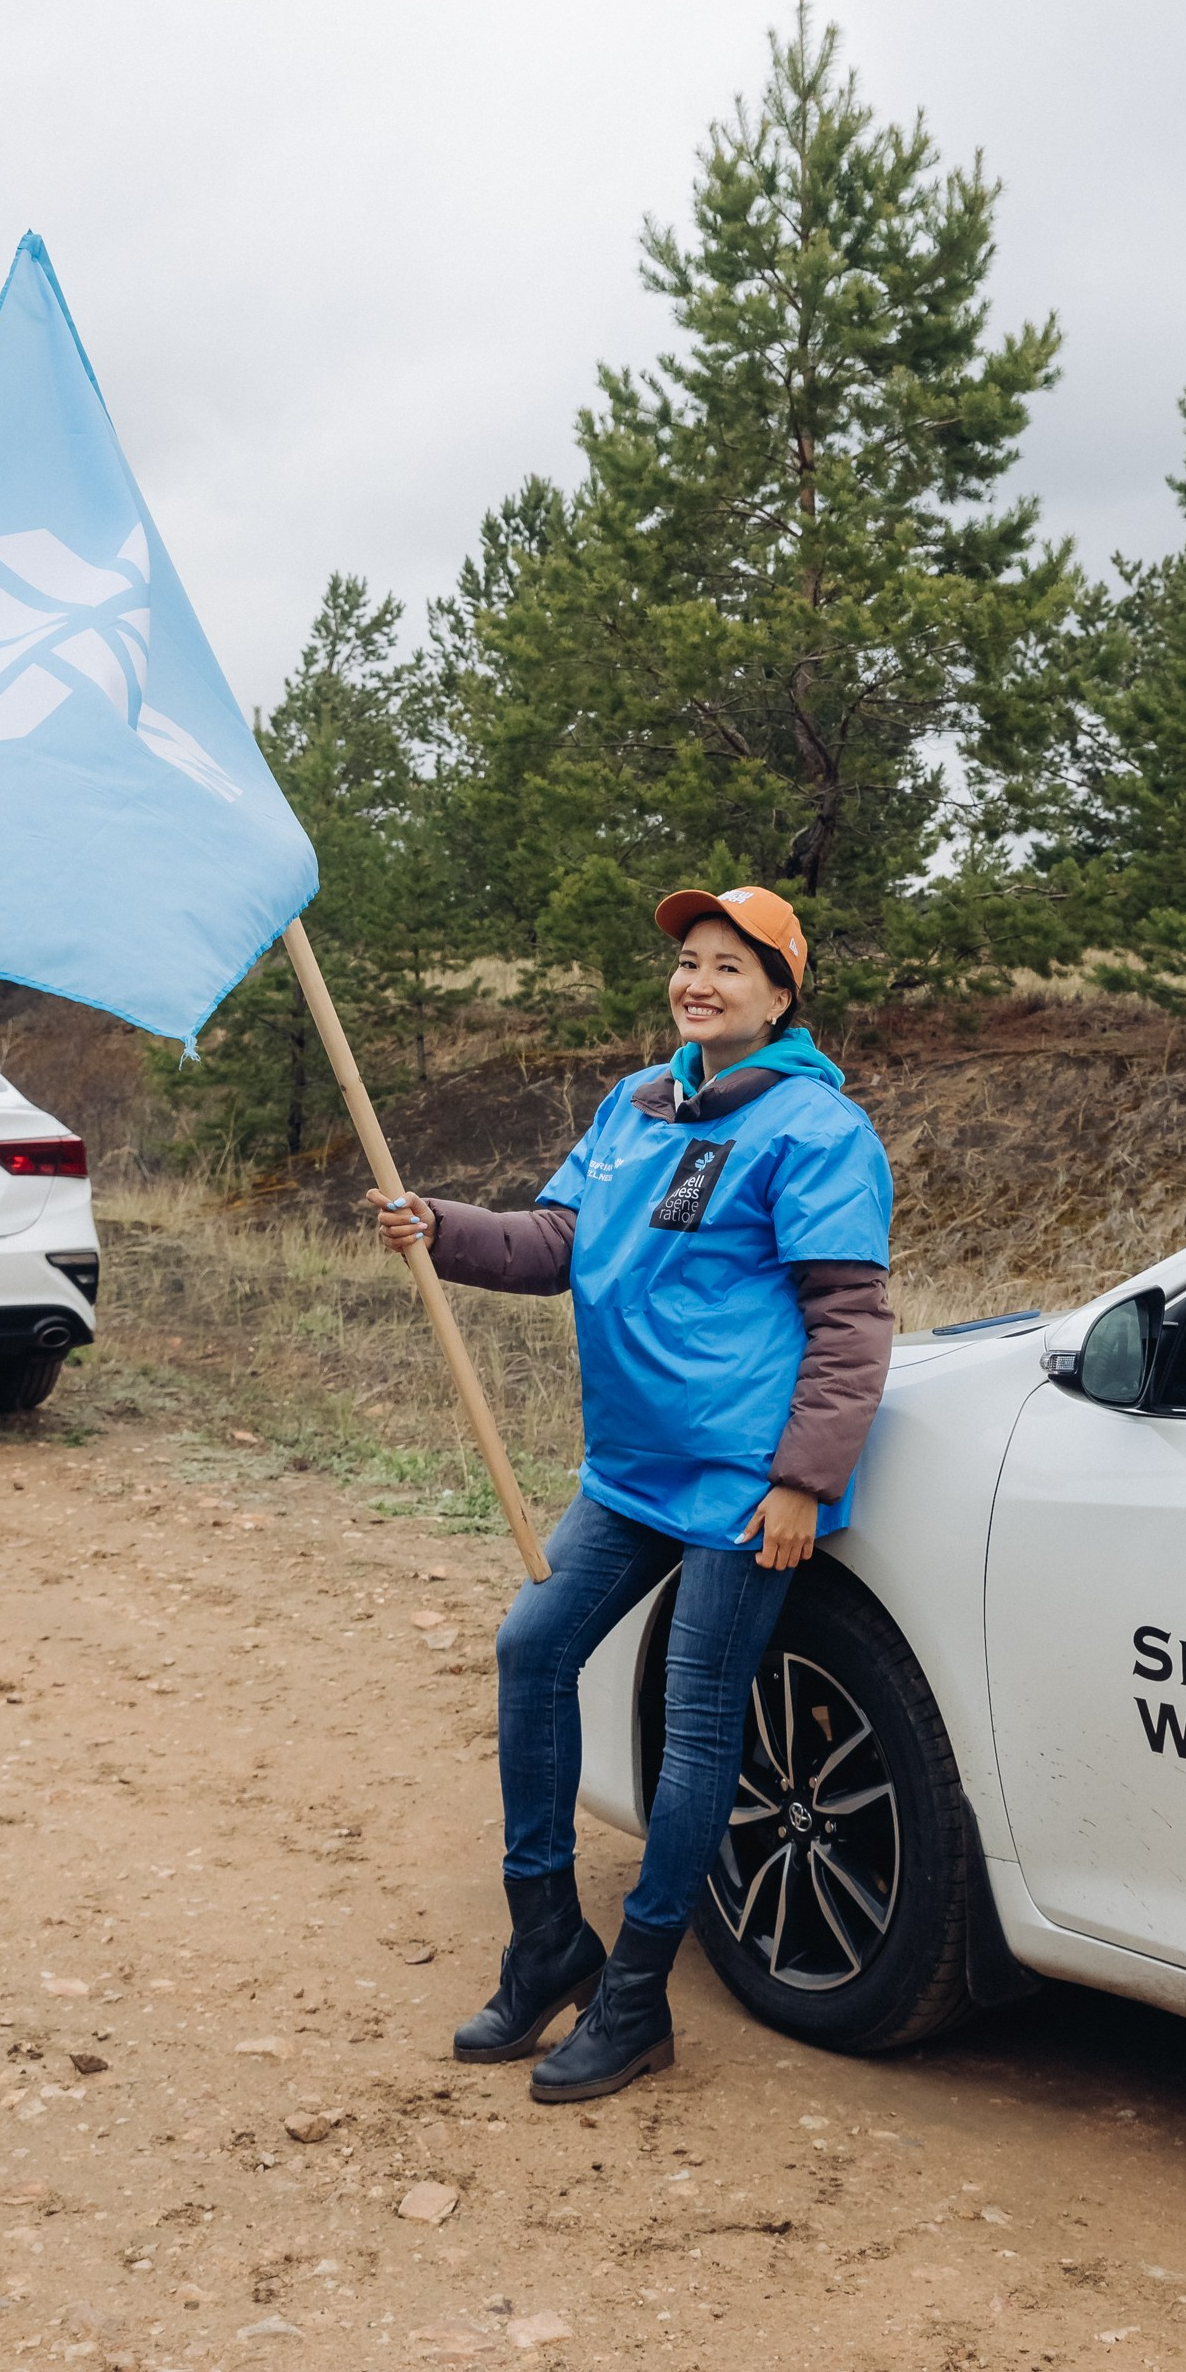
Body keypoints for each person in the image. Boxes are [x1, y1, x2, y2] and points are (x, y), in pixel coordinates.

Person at [370, 883, 894, 2103]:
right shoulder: (633, 1105)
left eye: (729, 965)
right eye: (687, 963)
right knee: (532, 1649)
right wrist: (439, 1228)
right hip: (630, 1468)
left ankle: (636, 1993)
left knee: (699, 1721)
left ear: (779, 993)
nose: (698, 981)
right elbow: (559, 1242)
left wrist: (803, 1481)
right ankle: (548, 1940)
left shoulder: (816, 1130)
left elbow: (849, 1319)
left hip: (740, 1481)